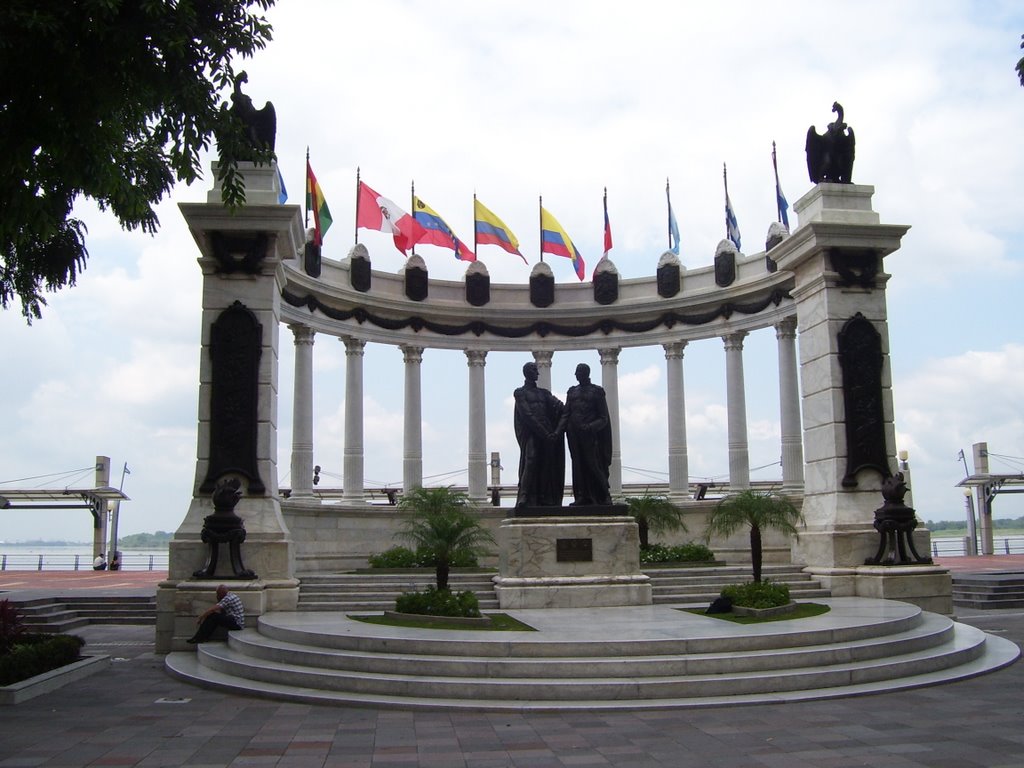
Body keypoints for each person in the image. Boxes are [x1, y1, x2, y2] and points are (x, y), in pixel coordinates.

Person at [557, 363, 613, 506]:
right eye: (576, 372)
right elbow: (566, 413)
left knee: (593, 464)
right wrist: (558, 431)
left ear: (585, 373)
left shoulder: (597, 391)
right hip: (573, 434)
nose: (576, 374)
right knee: (577, 465)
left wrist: (590, 427)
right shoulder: (572, 392)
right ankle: (581, 496)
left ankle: (605, 495)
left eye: (578, 372)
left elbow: (603, 418)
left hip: (589, 435)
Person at [513, 362, 565, 508]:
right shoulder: (520, 392)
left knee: (547, 464)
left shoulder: (544, 393)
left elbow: (559, 407)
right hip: (532, 433)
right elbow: (527, 415)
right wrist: (545, 433)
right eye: (534, 370)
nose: (537, 372)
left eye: (536, 369)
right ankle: (524, 495)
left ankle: (544, 497)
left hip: (547, 434)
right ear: (526, 372)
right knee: (531, 460)